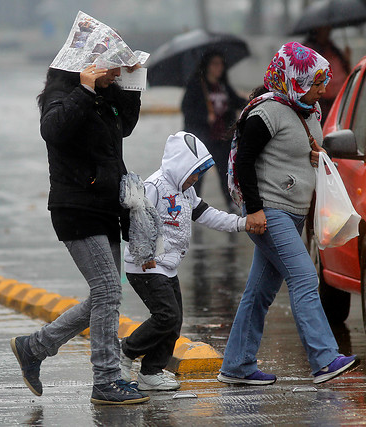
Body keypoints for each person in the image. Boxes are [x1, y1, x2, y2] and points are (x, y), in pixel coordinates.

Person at [218, 42, 359, 386]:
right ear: (294, 80)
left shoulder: (308, 110)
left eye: (323, 81)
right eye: (316, 83)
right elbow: (244, 163)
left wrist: (312, 158)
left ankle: (237, 365)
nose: (323, 89)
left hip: (292, 213)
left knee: (259, 292)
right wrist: (253, 210)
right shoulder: (266, 112)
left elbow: (290, 150)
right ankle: (324, 359)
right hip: (269, 212)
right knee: (305, 278)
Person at [10, 58, 149, 404]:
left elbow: (126, 127)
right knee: (107, 292)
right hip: (75, 208)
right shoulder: (64, 94)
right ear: (87, 68)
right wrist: (85, 88)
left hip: (105, 207)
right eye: (111, 68)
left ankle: (34, 347)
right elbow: (53, 130)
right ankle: (105, 379)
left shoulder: (105, 97)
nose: (114, 74)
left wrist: (132, 81)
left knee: (104, 295)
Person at [120, 131, 248, 391]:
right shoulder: (155, 186)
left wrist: (240, 223)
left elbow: (206, 214)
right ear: (179, 166)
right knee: (165, 316)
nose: (196, 179)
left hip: (167, 267)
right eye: (194, 173)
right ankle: (125, 352)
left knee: (174, 320)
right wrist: (144, 255)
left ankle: (151, 372)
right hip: (145, 265)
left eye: (199, 174)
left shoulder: (186, 191)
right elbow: (137, 220)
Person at [181, 51, 246, 209]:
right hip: (202, 138)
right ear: (207, 66)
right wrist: (204, 117)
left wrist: (253, 101)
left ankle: (231, 202)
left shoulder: (223, 85)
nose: (219, 67)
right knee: (197, 174)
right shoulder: (197, 85)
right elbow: (186, 108)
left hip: (221, 138)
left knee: (226, 172)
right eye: (215, 64)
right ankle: (193, 205)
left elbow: (236, 101)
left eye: (221, 64)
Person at [302, 26, 351, 124]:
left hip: (338, 101)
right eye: (324, 29)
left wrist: (347, 60)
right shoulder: (308, 51)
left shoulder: (333, 49)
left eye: (328, 30)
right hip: (321, 103)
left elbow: (346, 71)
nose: (327, 32)